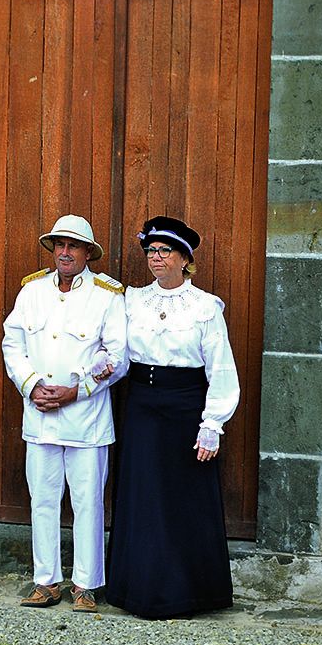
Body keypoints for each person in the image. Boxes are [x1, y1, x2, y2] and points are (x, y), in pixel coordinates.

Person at [106, 216, 240, 619]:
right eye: (151, 251)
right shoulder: (131, 301)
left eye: (165, 251)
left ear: (185, 259)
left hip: (186, 409)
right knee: (144, 496)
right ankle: (140, 590)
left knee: (184, 500)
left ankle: (188, 592)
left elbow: (221, 368)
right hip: (144, 406)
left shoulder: (204, 308)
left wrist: (212, 424)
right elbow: (117, 354)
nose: (156, 258)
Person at [0, 215, 127, 611]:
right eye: (59, 245)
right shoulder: (32, 292)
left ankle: (87, 585)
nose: (65, 253)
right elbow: (12, 344)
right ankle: (46, 581)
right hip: (39, 414)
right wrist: (31, 384)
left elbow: (117, 356)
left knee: (87, 500)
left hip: (85, 418)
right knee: (43, 498)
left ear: (88, 252)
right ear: (52, 249)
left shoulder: (107, 295)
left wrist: (79, 389)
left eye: (73, 246)